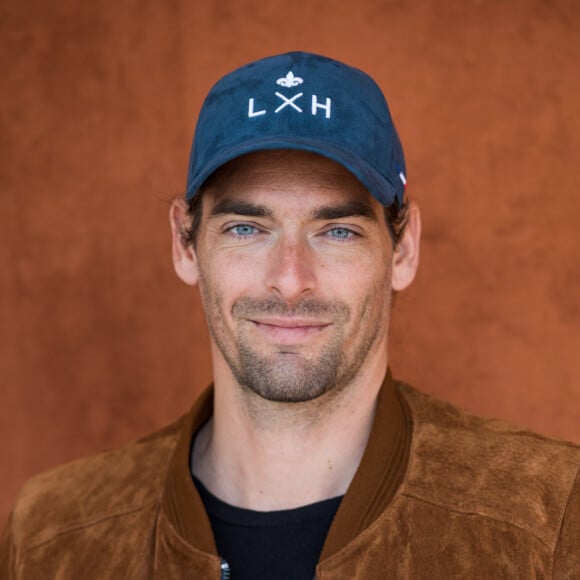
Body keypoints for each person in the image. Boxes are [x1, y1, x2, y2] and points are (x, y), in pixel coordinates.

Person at [1, 51, 579, 579]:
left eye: (337, 231)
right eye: (246, 228)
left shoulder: (546, 514)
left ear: (403, 250)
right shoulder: (51, 535)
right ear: (185, 244)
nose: (290, 278)